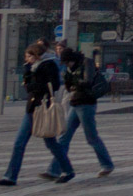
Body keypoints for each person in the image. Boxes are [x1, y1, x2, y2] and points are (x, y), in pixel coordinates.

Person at [0, 39, 75, 186]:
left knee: (51, 143)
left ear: (36, 55)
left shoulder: (48, 65)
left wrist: (35, 85)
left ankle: (68, 170)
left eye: (28, 56)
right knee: (20, 143)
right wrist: (28, 72)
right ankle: (10, 176)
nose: (26, 59)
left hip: (43, 108)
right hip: (32, 109)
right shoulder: (32, 67)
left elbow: (54, 85)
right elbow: (27, 86)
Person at [45, 42, 114, 179]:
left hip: (87, 104)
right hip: (75, 103)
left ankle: (107, 164)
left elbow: (87, 82)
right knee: (64, 137)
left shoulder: (86, 63)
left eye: (67, 62)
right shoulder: (68, 70)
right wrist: (72, 82)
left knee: (92, 138)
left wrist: (74, 82)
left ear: (72, 59)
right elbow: (70, 87)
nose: (66, 65)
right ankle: (54, 170)